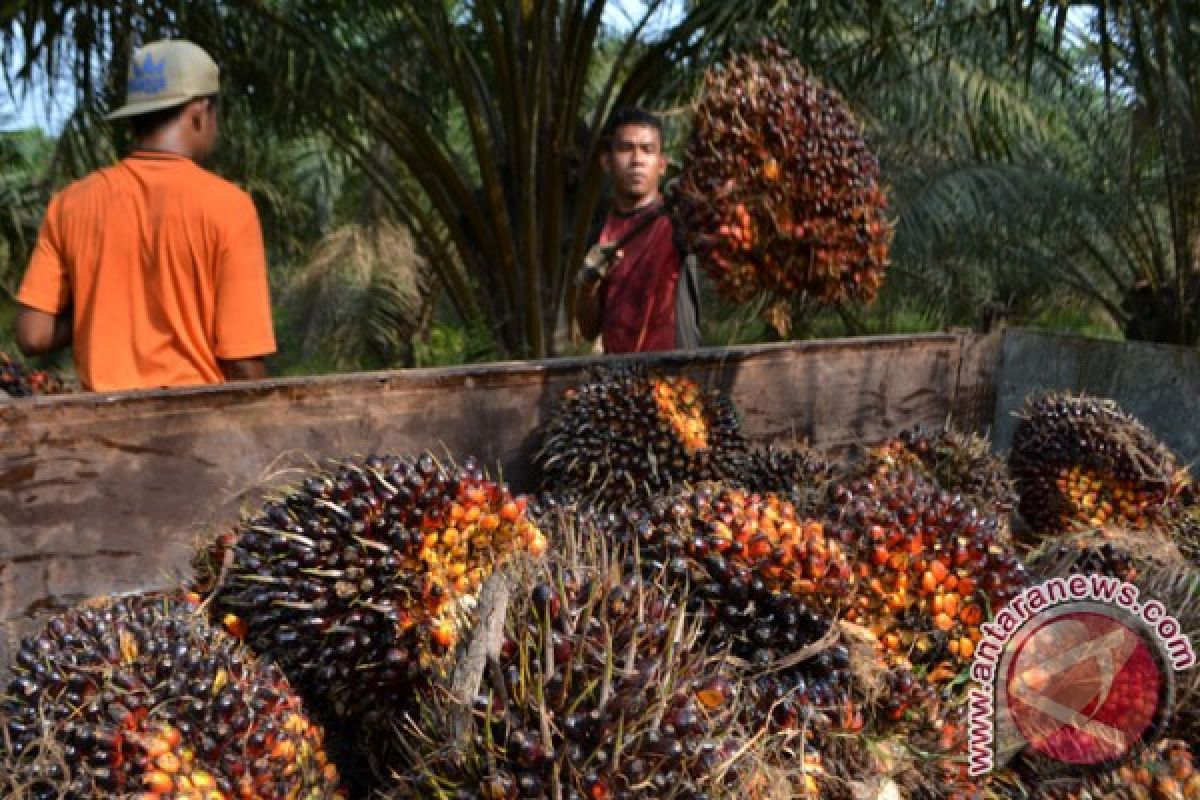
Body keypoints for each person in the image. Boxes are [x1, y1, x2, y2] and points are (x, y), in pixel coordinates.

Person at [14, 39, 276, 391]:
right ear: (200, 111)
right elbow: (243, 364)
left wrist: (101, 304)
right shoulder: (229, 208)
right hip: (196, 430)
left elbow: (33, 334)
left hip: (98, 431)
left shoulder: (71, 203)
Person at [575, 107, 699, 354]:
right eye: (625, 149)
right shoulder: (600, 233)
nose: (637, 160)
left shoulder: (679, 220)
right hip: (622, 380)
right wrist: (587, 286)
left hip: (677, 377)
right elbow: (589, 331)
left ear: (662, 164)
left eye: (647, 150)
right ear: (607, 162)